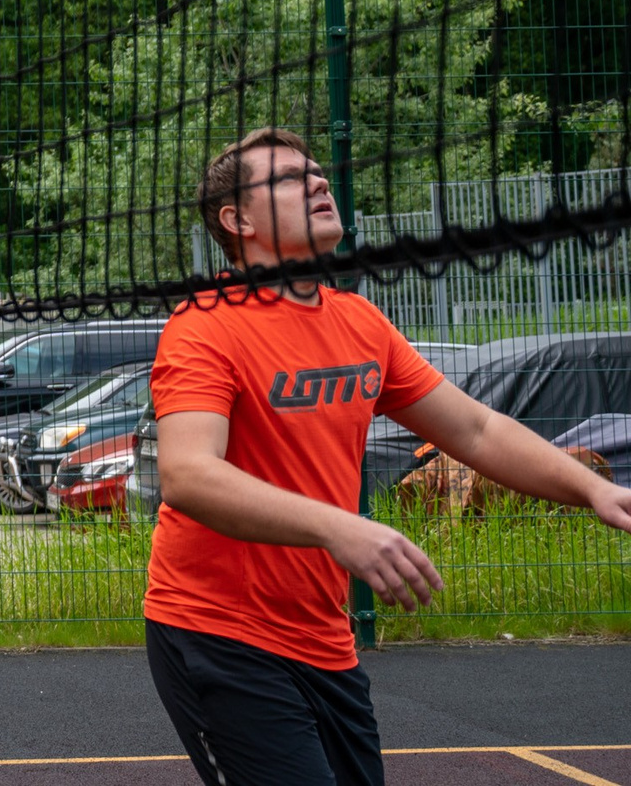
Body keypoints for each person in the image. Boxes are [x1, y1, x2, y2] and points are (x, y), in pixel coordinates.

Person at [149, 128, 631, 786]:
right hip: (218, 634)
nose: (319, 182)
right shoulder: (205, 326)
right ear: (240, 219)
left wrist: (592, 488)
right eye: (291, 178)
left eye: (318, 171)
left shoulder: (358, 323)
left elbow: (477, 429)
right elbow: (188, 473)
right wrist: (338, 524)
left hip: (324, 640)